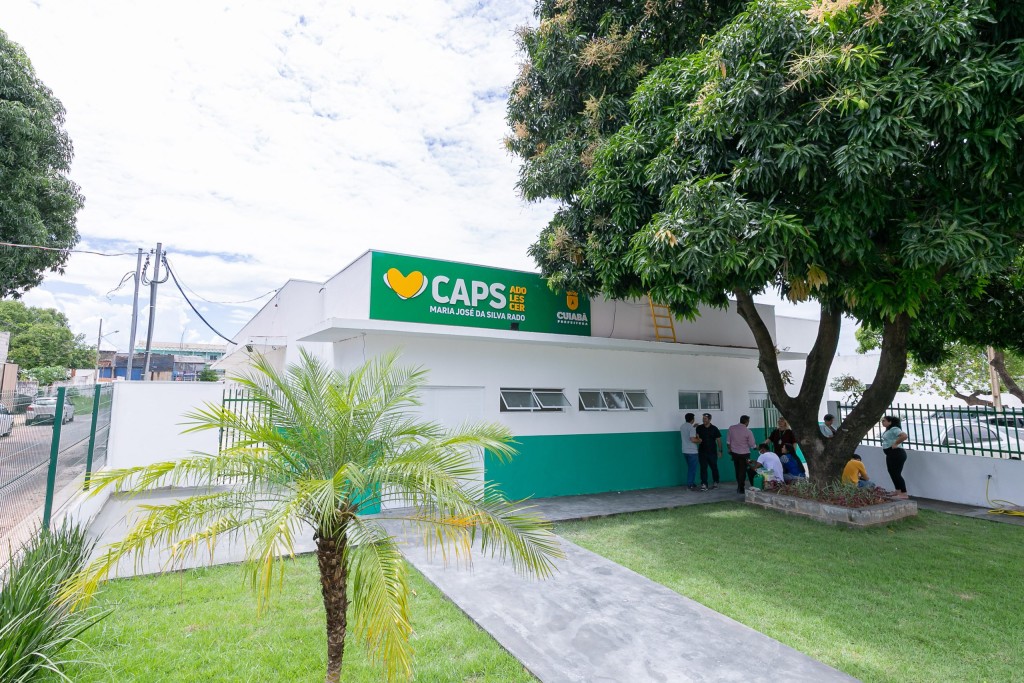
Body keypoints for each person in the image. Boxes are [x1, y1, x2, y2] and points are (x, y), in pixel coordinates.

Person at [881, 415, 910, 499]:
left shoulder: (894, 429)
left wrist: (895, 443)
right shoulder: (889, 430)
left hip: (896, 453)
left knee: (896, 473)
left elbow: (904, 436)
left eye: (884, 421)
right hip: (890, 454)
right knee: (892, 472)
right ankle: (898, 491)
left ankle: (904, 493)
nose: (882, 422)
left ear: (890, 422)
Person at [727, 415, 758, 494]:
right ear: (747, 422)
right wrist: (757, 447)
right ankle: (741, 488)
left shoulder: (731, 428)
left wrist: (730, 449)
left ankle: (739, 486)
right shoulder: (748, 431)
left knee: (737, 470)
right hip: (745, 454)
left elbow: (728, 442)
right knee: (743, 471)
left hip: (734, 453)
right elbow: (752, 445)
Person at [694, 413, 721, 491]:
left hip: (712, 452)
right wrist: (694, 428)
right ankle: (704, 484)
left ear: (709, 419)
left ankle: (716, 482)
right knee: (703, 468)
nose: (703, 420)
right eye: (703, 418)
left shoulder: (714, 428)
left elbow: (718, 440)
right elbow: (696, 437)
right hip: (702, 452)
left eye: (705, 419)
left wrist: (720, 450)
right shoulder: (699, 428)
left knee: (714, 468)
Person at [680, 412, 701, 491]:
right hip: (692, 451)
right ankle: (690, 484)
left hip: (685, 450)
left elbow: (687, 433)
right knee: (692, 469)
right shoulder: (691, 428)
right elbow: (692, 439)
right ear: (692, 419)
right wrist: (699, 440)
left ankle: (691, 483)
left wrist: (694, 427)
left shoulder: (682, 426)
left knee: (690, 468)